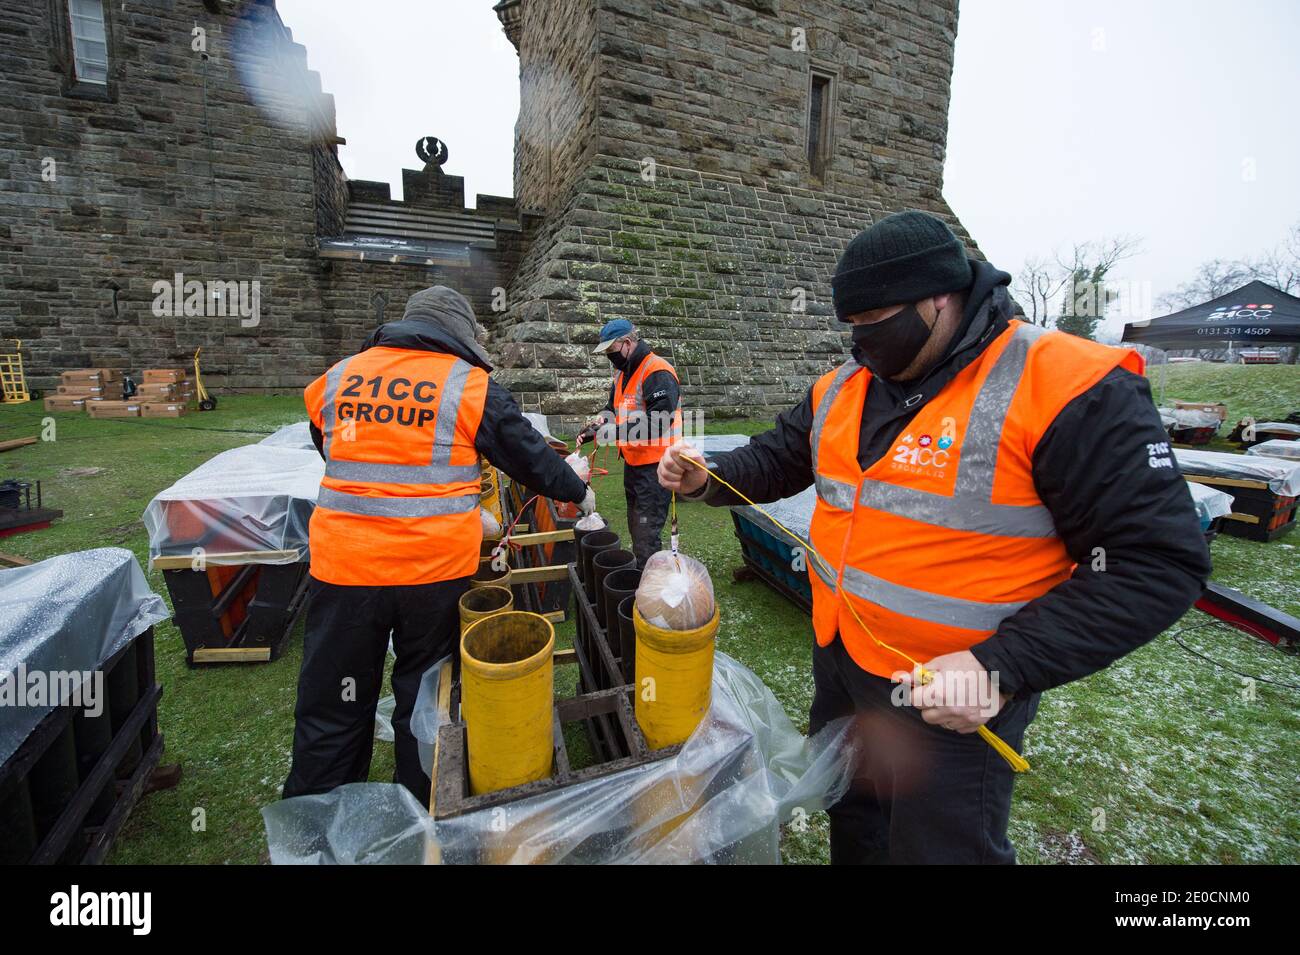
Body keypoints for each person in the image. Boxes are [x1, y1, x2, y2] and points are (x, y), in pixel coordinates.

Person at [658, 211, 1210, 864]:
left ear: (940, 297)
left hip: (952, 696)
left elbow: (1155, 560)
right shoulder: (843, 389)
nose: (862, 345)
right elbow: (779, 457)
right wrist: (708, 477)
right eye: (852, 327)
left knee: (938, 851)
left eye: (878, 324)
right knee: (855, 820)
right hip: (846, 664)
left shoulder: (1066, 386)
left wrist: (1001, 666)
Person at [283, 285, 595, 804]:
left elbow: (332, 450)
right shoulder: (470, 386)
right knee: (425, 691)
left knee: (334, 699)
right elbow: (529, 457)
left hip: (345, 568)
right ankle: (424, 804)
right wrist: (578, 492)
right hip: (431, 571)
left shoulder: (337, 377)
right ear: (459, 335)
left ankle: (318, 824)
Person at [581, 319, 682, 566]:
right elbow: (611, 409)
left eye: (611, 351)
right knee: (637, 526)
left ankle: (650, 584)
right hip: (634, 463)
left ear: (627, 343)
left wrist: (614, 432)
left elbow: (659, 421)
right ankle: (644, 573)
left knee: (646, 533)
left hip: (657, 467)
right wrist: (596, 427)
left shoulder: (657, 371)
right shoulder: (622, 373)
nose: (609, 357)